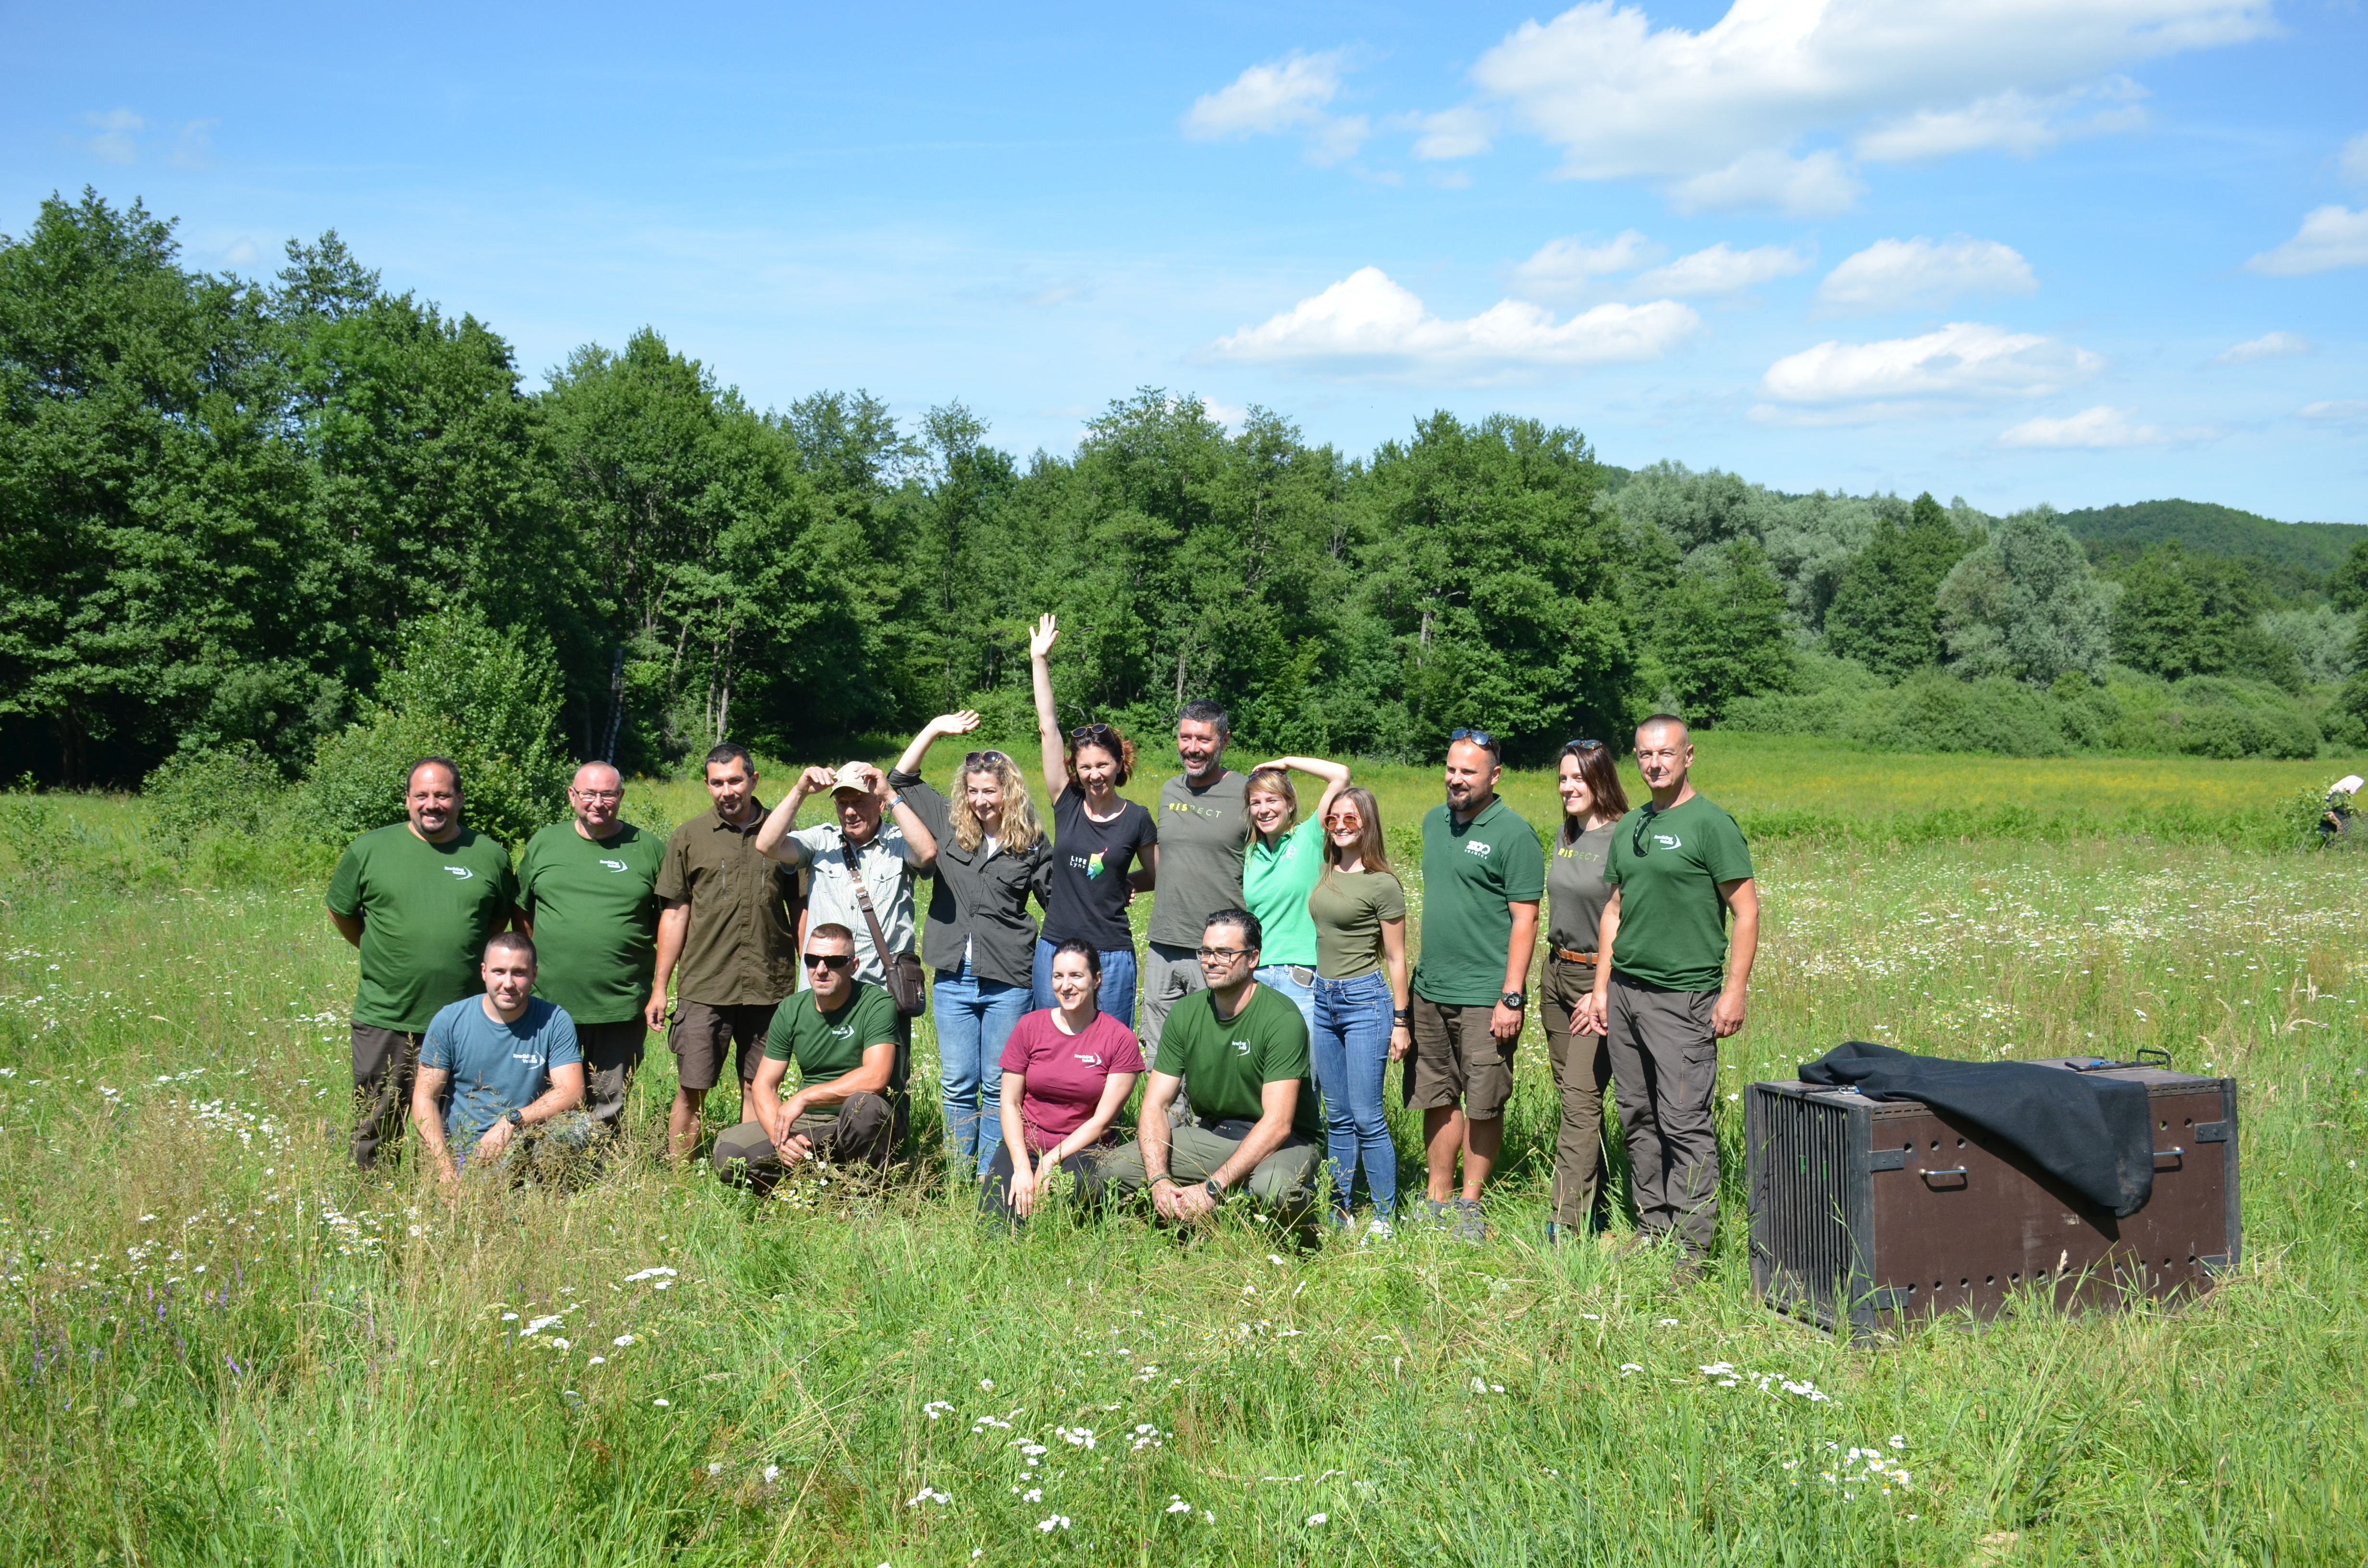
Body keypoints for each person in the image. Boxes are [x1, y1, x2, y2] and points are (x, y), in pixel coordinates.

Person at [1579, 716, 1758, 1274]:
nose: (1654, 764)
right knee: (1636, 1114)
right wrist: (1602, 986)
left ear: (1688, 756)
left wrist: (1733, 993)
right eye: (1644, 755)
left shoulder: (1710, 824)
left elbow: (1746, 911)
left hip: (1683, 999)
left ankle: (1691, 1248)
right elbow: (1613, 910)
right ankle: (1652, 1226)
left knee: (1683, 1120)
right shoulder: (1632, 825)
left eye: (1665, 754)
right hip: (1627, 993)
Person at [326, 756, 520, 1171]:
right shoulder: (370, 849)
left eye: (442, 795)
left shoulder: (488, 855)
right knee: (379, 1118)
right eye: (422, 795)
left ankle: (460, 1194)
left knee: (464, 1116)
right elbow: (341, 911)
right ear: (408, 800)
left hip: (465, 1019)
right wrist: (379, 951)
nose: (432, 804)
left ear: (460, 799)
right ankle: (373, 1195)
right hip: (388, 1013)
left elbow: (498, 921)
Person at [888, 712, 1051, 1180]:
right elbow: (899, 779)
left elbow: (1056, 900)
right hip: (953, 979)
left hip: (1009, 979)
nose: (981, 801)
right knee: (957, 1083)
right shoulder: (947, 822)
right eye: (973, 791)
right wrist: (935, 729)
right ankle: (960, 1177)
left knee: (1000, 1085)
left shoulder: (1032, 842)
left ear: (1009, 792)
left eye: (989, 791)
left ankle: (989, 1176)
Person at [1408, 728, 1544, 1241]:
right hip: (1432, 988)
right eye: (1450, 769)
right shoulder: (1432, 822)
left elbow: (1525, 919)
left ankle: (1470, 1202)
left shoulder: (1513, 833)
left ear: (1494, 775)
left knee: (1483, 1100)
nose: (1456, 779)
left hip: (1486, 995)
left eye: (1468, 771)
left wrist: (1511, 995)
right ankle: (1435, 1197)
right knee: (1437, 1096)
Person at [1102, 909, 1322, 1224]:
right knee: (1116, 1166)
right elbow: (1155, 1104)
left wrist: (1211, 1189)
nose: (1210, 961)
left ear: (1253, 958)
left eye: (1225, 953)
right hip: (1216, 1135)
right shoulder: (1186, 1013)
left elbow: (1278, 1125)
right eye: (1206, 951)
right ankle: (1182, 1223)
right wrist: (1158, 1181)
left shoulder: (1281, 1019)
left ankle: (1305, 1244)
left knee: (1273, 1188)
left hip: (1285, 1143)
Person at [649, 744, 802, 1163]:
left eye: (735, 780)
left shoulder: (784, 833)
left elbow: (800, 910)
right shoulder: (689, 836)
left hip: (770, 986)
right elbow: (675, 914)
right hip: (705, 984)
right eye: (717, 783)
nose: (726, 791)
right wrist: (660, 987)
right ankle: (680, 1180)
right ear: (707, 785)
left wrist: (808, 975)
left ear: (753, 780)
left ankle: (747, 1171)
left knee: (757, 1086)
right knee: (692, 1086)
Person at [516, 761, 664, 1138]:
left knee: (608, 1101)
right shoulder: (545, 843)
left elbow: (671, 921)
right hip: (549, 1004)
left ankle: (598, 1176)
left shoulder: (648, 849)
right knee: (544, 1097)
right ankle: (544, 1172)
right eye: (589, 794)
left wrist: (659, 988)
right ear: (572, 796)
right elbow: (522, 912)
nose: (598, 802)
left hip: (619, 1003)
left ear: (621, 797)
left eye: (608, 794)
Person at [1027, 613, 1158, 1027]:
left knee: (1109, 1050)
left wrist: (1127, 882)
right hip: (1056, 948)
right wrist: (1039, 661)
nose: (1094, 774)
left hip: (1112, 953)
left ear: (1121, 765)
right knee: (1051, 1048)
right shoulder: (1065, 803)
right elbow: (1049, 729)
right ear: (1075, 770)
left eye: (1103, 764)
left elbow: (1156, 874)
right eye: (1085, 767)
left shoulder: (1137, 818)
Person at [711, 923, 906, 1182]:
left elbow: (876, 1078)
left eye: (834, 961)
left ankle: (863, 1197)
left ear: (854, 965)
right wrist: (780, 1138)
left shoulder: (876, 1003)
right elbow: (763, 1085)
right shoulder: (792, 1008)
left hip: (859, 1121)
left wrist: (804, 1097)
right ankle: (815, 1185)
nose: (821, 970)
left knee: (864, 1107)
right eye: (813, 960)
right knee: (730, 1156)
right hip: (809, 1125)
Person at [752, 759, 937, 1032]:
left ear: (880, 805)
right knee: (826, 1074)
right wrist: (800, 791)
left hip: (883, 993)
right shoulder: (821, 842)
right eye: (842, 803)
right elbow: (767, 845)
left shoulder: (899, 842)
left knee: (886, 1075)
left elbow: (927, 853)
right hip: (826, 991)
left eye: (860, 802)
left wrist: (890, 793)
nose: (850, 811)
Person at [1305, 785, 1410, 1235]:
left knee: (1368, 1116)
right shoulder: (1326, 871)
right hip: (1323, 999)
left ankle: (1386, 1217)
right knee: (1338, 1114)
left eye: (1351, 819)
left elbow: (1397, 957)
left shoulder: (1382, 883)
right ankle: (1340, 1208)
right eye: (1334, 819)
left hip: (1365, 1001)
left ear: (1367, 823)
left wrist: (1402, 1022)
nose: (1341, 826)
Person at [982, 940, 1146, 1226]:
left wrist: (1049, 1162)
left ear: (1097, 980)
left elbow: (1103, 1122)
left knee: (1060, 1215)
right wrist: (1022, 1164)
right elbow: (1008, 1102)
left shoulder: (1119, 1040)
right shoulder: (1029, 1027)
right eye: (1058, 976)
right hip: (1026, 1145)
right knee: (996, 1223)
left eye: (1076, 976)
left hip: (1082, 1149)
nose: (1066, 986)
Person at [410, 932, 592, 1185]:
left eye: (519, 973)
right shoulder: (450, 1020)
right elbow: (424, 1096)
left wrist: (511, 1122)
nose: (508, 983)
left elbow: (572, 1092)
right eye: (499, 972)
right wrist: (445, 1168)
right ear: (484, 972)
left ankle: (549, 1194)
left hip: (526, 1140)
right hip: (466, 1152)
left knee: (579, 1126)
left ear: (534, 975)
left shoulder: (554, 1021)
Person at [1540, 738, 1629, 1245]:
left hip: (1596, 984)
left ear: (1600, 780)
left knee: (1578, 1102)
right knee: (1576, 1100)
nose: (1568, 787)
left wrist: (1601, 992)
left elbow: (1625, 919)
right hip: (1556, 975)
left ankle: (1564, 1224)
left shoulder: (1622, 837)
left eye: (1577, 778)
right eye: (1562, 778)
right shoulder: (1565, 831)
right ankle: (1594, 1204)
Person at [1140, 699, 1253, 1053]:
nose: (1192, 748)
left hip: (1221, 950)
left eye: (1203, 739)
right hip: (1164, 944)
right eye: (1185, 737)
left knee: (1214, 1055)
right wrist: (1121, 883)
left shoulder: (1249, 793)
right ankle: (1170, 1114)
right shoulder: (1171, 790)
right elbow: (1167, 859)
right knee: (1163, 1056)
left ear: (1225, 740)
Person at [1241, 758, 1349, 1039]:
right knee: (1261, 1074)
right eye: (1256, 802)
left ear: (1290, 804)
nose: (1264, 810)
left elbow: (1340, 776)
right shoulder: (1252, 852)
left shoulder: (1310, 835)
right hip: (1256, 975)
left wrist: (1287, 762)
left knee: (1304, 1073)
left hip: (1300, 977)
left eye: (1272, 800)